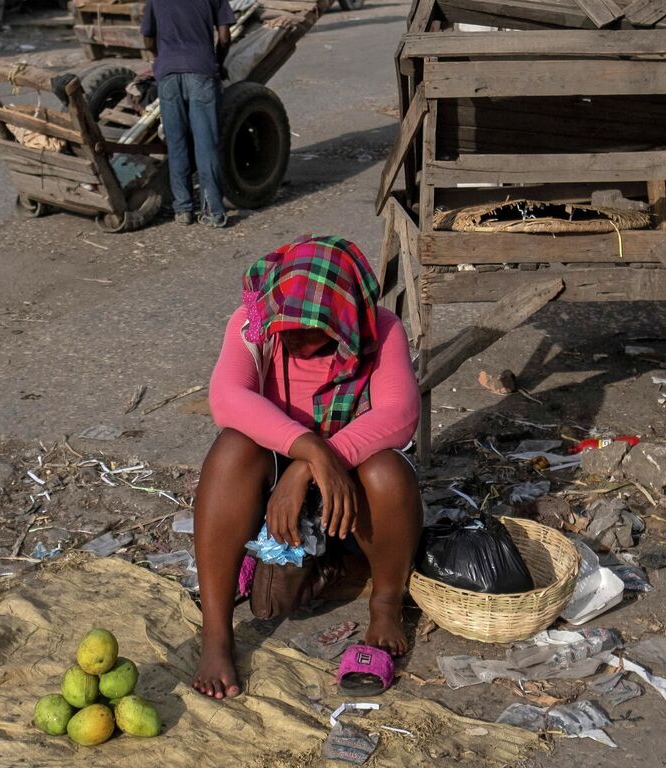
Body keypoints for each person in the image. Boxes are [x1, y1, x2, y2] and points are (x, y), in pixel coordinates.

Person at [190, 235, 421, 699]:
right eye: (287, 325)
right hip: (275, 482)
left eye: (312, 329)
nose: (293, 335)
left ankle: (386, 602)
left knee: (387, 471)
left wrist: (313, 464)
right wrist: (307, 451)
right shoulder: (254, 326)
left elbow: (400, 414)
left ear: (343, 321)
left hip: (350, 490)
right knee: (232, 448)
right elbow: (227, 399)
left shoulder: (381, 329)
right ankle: (215, 634)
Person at [140, 0, 231, 227]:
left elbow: (148, 37)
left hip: (168, 74)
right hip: (201, 70)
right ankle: (213, 212)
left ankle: (183, 210)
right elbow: (225, 37)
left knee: (176, 141)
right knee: (206, 143)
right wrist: (218, 62)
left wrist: (160, 58)